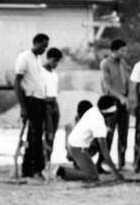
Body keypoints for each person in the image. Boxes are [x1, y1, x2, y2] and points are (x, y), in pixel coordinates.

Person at [58, 96, 126, 183]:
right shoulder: (99, 122)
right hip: (77, 147)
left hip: (75, 144)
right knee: (93, 177)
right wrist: (116, 173)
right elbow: (105, 151)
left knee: (92, 174)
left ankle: (71, 170)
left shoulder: (94, 110)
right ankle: (61, 172)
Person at [15, 33, 51, 179]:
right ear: (35, 42)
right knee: (35, 138)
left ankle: (28, 170)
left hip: (40, 99)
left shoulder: (38, 58)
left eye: (46, 47)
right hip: (31, 100)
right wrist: (23, 107)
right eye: (43, 46)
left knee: (35, 136)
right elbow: (17, 83)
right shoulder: (24, 57)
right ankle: (35, 169)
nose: (44, 49)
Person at [99, 39, 132, 170]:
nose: (124, 53)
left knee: (123, 133)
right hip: (111, 101)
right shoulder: (105, 63)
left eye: (125, 50)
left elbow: (128, 81)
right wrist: (120, 97)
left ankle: (121, 163)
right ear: (113, 51)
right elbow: (107, 85)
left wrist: (127, 98)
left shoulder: (123, 63)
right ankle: (103, 163)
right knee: (109, 133)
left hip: (124, 101)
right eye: (122, 51)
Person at [41, 47, 63, 171]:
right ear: (48, 58)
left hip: (55, 103)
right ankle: (45, 162)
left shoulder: (54, 74)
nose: (55, 64)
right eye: (54, 61)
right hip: (45, 105)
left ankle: (49, 160)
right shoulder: (41, 72)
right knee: (48, 134)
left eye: (57, 62)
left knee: (53, 134)